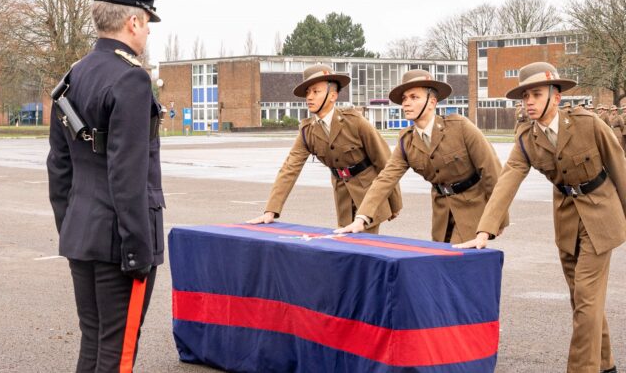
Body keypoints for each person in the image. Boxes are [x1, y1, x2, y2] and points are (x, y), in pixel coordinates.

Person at [456, 62, 625, 373]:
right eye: (524, 97)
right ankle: (606, 364)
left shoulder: (588, 124)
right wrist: (485, 231)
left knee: (586, 300)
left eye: (535, 94)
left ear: (556, 97)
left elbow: (619, 168)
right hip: (567, 221)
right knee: (583, 301)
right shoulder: (527, 138)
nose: (529, 102)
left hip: (602, 215)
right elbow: (508, 179)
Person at [47, 0, 165, 373]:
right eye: (147, 23)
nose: (147, 31)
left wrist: (71, 224)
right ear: (132, 22)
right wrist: (137, 249)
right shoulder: (131, 78)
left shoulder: (73, 75)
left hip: (83, 232)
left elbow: (59, 165)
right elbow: (128, 173)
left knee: (94, 346)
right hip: (120, 240)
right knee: (118, 354)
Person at [334, 69, 505, 244]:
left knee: (458, 264)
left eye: (414, 97)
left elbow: (492, 170)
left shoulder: (460, 127)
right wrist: (361, 219)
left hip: (473, 208)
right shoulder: (406, 140)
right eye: (404, 98)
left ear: (432, 102)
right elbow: (385, 179)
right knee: (440, 263)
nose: (406, 103)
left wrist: (497, 220)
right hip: (442, 213)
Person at [247, 64, 402, 231]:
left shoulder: (355, 122)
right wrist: (271, 210)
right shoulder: (308, 131)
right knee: (345, 246)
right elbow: (289, 169)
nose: (309, 97)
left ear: (333, 96)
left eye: (316, 91)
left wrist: (394, 203)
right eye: (307, 93)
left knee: (366, 247)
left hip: (368, 192)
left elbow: (384, 161)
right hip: (341, 191)